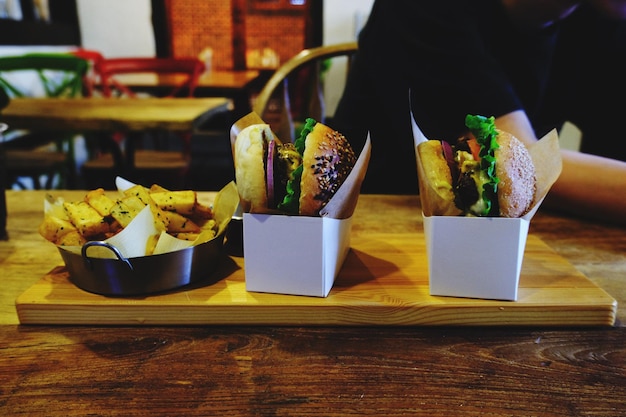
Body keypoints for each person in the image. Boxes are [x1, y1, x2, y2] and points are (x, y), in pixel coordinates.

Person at [331, 0, 626, 226]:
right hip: (374, 230)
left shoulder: (602, 21)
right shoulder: (424, 9)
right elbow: (520, 166)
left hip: (515, 236)